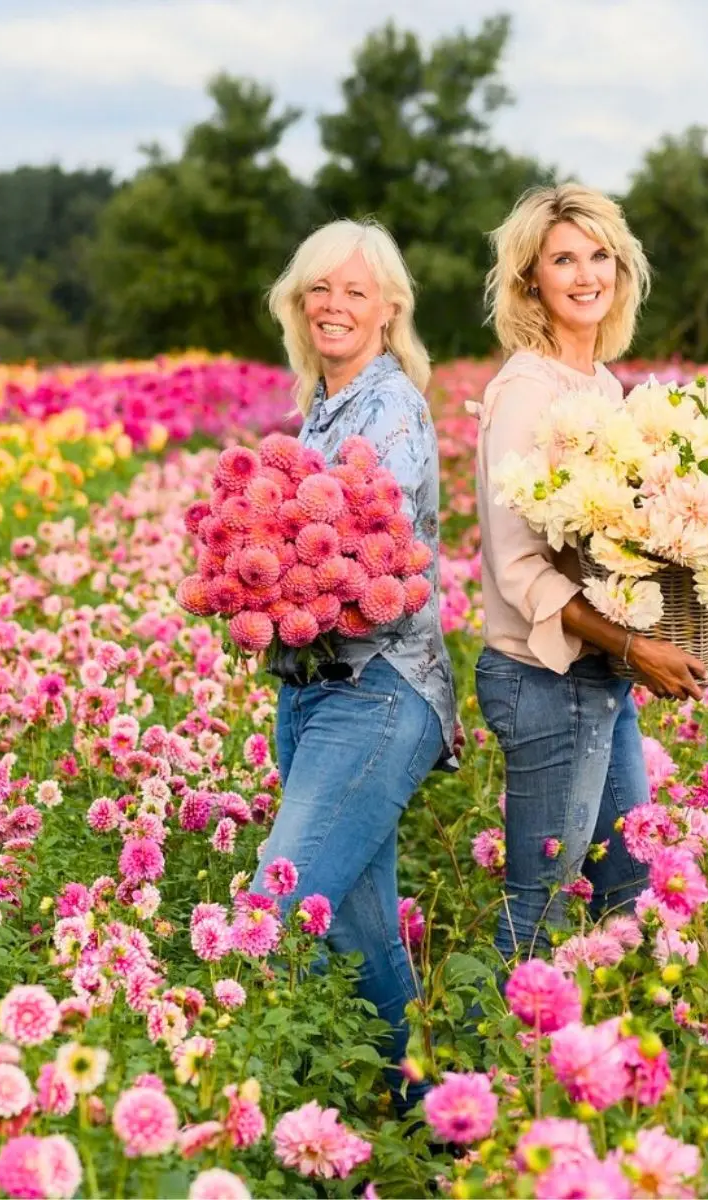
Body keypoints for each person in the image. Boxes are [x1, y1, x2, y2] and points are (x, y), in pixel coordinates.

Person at [256, 219, 457, 1113]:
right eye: (318, 290)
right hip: (311, 694)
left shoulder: (389, 407)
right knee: (364, 936)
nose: (333, 305)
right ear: (299, 305)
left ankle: (234, 1103)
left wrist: (282, 573)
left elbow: (381, 557)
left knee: (270, 912)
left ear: (389, 308)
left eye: (355, 291)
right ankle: (434, 1124)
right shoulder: (325, 405)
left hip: (376, 694)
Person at [475, 184, 706, 961]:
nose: (585, 274)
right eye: (562, 259)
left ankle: (614, 1056)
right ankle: (494, 1066)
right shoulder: (525, 393)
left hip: (598, 669)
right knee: (539, 903)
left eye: (599, 255)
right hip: (542, 674)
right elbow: (517, 568)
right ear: (529, 280)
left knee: (628, 885)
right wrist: (637, 649)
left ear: (621, 267)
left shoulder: (604, 388)